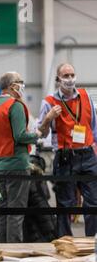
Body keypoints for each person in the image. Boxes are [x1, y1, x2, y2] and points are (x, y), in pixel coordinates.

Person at [38, 63, 97, 237]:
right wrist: (48, 119)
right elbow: (41, 133)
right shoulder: (49, 102)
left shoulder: (85, 96)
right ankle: (65, 242)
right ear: (58, 79)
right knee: (65, 204)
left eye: (72, 75)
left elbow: (93, 127)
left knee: (93, 202)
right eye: (66, 76)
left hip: (87, 155)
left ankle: (92, 243)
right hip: (65, 158)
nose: (70, 79)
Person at [0, 72, 45, 243]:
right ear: (13, 86)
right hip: (17, 164)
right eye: (21, 82)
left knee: (3, 211)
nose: (23, 85)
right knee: (16, 212)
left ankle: (0, 248)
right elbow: (20, 136)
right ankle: (15, 250)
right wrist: (37, 134)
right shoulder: (16, 105)